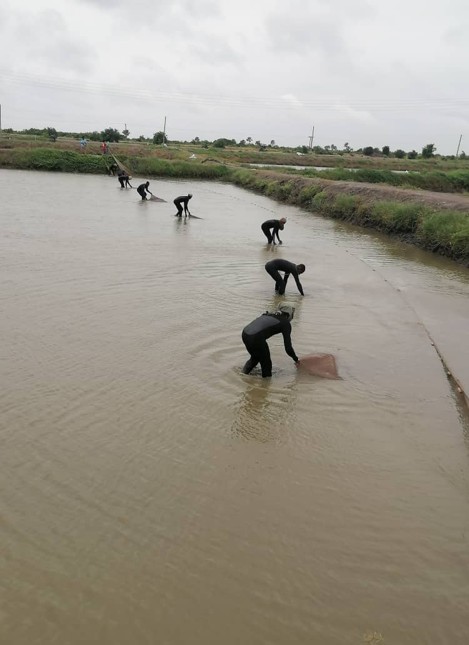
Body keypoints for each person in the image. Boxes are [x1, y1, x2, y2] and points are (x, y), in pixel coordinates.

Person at [242, 304, 299, 378]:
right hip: (256, 337)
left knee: (255, 358)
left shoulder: (269, 314)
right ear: (289, 314)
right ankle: (265, 383)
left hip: (245, 333)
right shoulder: (285, 323)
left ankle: (242, 375)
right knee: (267, 365)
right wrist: (296, 360)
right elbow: (288, 348)